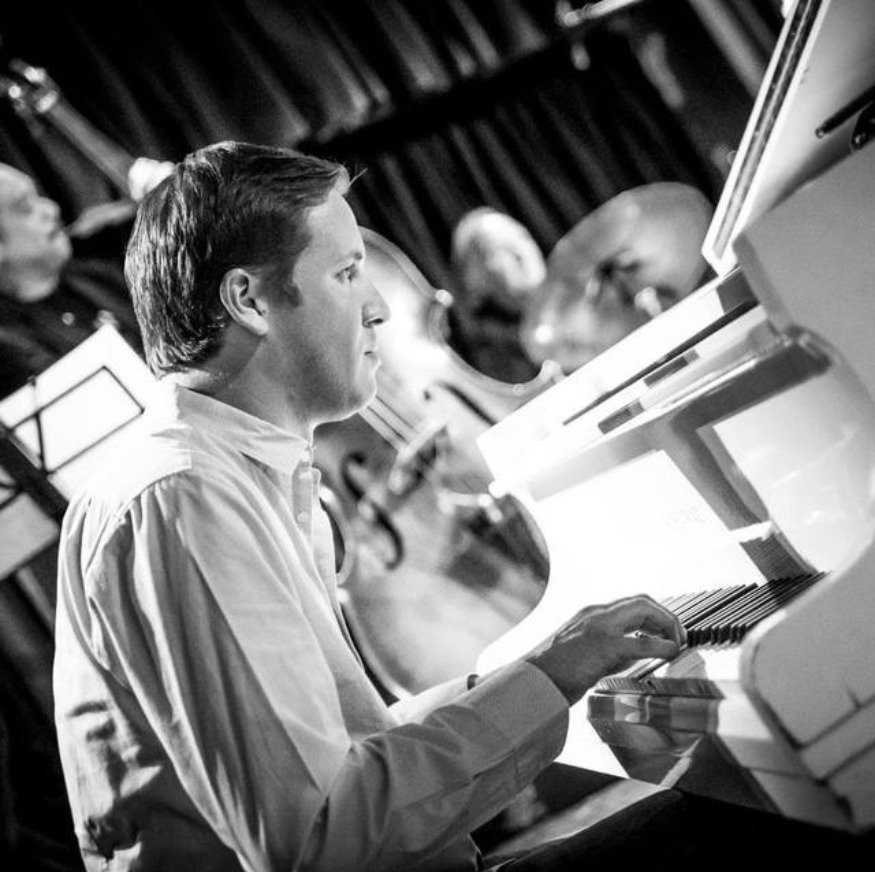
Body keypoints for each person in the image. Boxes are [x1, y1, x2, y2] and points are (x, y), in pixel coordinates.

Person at [51, 141, 690, 872]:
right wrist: (550, 679)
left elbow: (351, 746)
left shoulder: (232, 473)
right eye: (348, 273)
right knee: (745, 830)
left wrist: (538, 671)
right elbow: (319, 837)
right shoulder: (186, 496)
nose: (380, 307)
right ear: (249, 301)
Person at [0, 157, 172, 398]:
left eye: (39, 197)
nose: (51, 209)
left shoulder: (98, 275)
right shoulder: (10, 346)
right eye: (26, 208)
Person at [445, 207, 547, 385]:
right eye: (503, 249)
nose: (520, 253)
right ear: (475, 277)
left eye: (523, 238)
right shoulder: (492, 360)